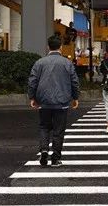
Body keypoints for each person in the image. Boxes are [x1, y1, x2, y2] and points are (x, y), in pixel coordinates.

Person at [27, 34, 80, 167]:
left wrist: (32, 97)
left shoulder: (39, 63)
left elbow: (32, 81)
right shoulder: (67, 63)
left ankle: (44, 149)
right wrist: (75, 97)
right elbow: (74, 81)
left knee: (44, 126)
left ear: (48, 47)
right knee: (58, 130)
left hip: (43, 100)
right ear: (60, 47)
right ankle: (55, 158)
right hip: (61, 102)